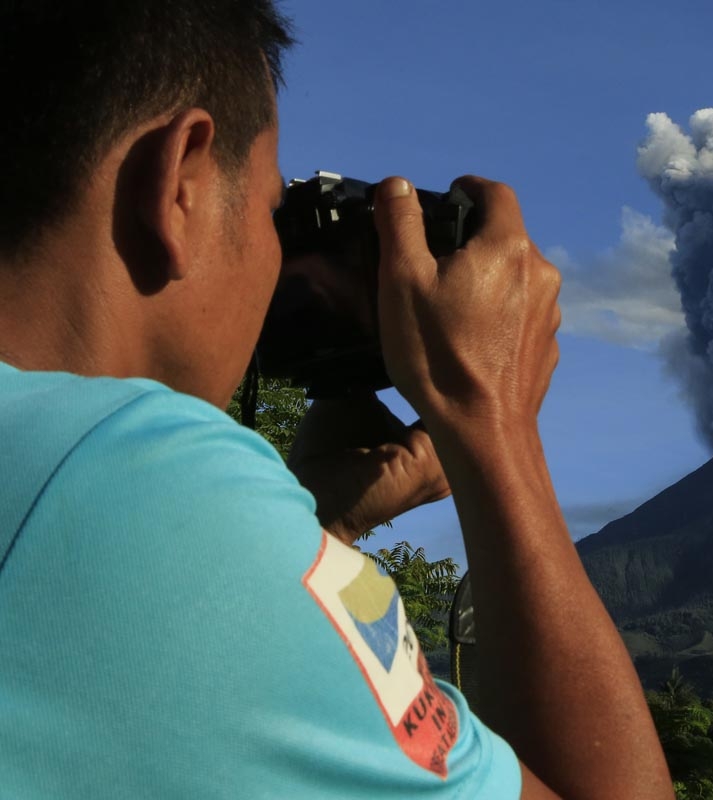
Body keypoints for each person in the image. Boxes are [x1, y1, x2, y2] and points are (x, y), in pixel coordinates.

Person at [0, 2, 674, 798]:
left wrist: (317, 523)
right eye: (271, 211)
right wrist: (494, 425)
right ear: (177, 178)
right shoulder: (134, 478)